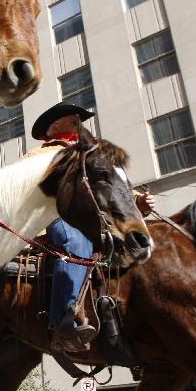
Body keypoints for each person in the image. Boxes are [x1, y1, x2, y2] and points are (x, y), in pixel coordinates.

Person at [29, 102, 154, 352]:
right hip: (55, 216)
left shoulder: (91, 154)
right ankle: (62, 322)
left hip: (91, 218)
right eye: (74, 122)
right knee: (75, 242)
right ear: (54, 127)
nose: (80, 126)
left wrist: (138, 202)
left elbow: (111, 188)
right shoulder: (40, 155)